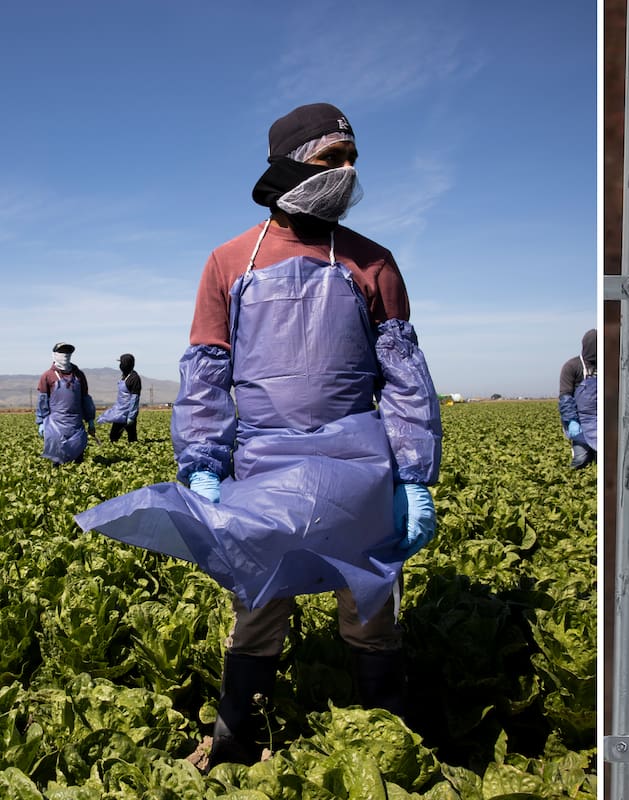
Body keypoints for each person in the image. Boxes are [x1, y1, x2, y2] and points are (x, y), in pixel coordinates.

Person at [75, 102, 442, 769]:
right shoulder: (228, 263)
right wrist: (204, 464)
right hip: (265, 463)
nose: (348, 172)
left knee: (370, 606)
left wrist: (412, 477)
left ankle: (385, 741)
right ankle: (234, 735)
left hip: (359, 464)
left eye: (353, 158)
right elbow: (206, 374)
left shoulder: (373, 263)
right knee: (259, 602)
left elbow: (405, 378)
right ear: (291, 162)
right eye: (333, 158)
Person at [35, 342, 96, 465]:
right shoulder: (48, 376)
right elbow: (42, 401)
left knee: (78, 457)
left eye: (68, 352)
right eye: (62, 352)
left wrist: (90, 419)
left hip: (76, 423)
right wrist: (41, 422)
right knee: (57, 459)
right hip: (56, 424)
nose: (65, 355)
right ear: (54, 355)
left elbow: (85, 398)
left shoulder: (79, 375)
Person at [558, 328, 597, 468]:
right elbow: (565, 398)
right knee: (581, 458)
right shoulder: (572, 366)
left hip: (598, 420)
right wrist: (572, 421)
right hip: (579, 420)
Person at [97, 353, 141, 443]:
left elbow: (135, 398)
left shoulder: (134, 378)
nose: (120, 365)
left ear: (125, 364)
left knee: (127, 436)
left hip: (128, 412)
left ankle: (130, 451)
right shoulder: (124, 376)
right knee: (116, 435)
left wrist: (131, 416)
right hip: (120, 411)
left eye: (121, 363)